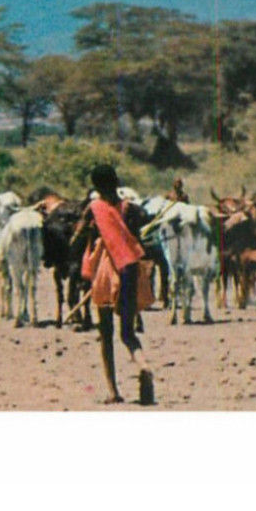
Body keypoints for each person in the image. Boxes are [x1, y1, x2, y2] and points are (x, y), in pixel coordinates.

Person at [87, 163, 154, 404]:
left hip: (107, 271)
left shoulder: (95, 209)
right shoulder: (133, 210)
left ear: (96, 186)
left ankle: (113, 391)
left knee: (106, 334)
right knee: (128, 332)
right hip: (130, 271)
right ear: (116, 181)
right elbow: (136, 240)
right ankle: (143, 365)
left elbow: (83, 239)